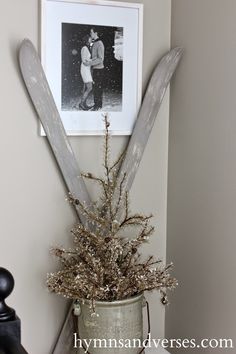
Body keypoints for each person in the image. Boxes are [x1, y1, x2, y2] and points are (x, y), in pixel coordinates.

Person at [89, 27, 105, 110]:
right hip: (95, 69)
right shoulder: (94, 43)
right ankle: (97, 104)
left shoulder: (99, 43)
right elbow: (95, 57)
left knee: (98, 88)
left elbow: (100, 59)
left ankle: (98, 105)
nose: (90, 34)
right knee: (96, 88)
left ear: (96, 33)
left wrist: (90, 63)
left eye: (91, 32)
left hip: (99, 69)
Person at [79, 34, 93, 110]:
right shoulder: (84, 48)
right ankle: (81, 104)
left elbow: (86, 60)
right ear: (87, 39)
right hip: (85, 69)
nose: (91, 40)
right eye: (90, 39)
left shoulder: (86, 48)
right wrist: (93, 61)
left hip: (86, 69)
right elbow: (84, 61)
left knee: (86, 87)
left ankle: (84, 103)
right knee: (89, 87)